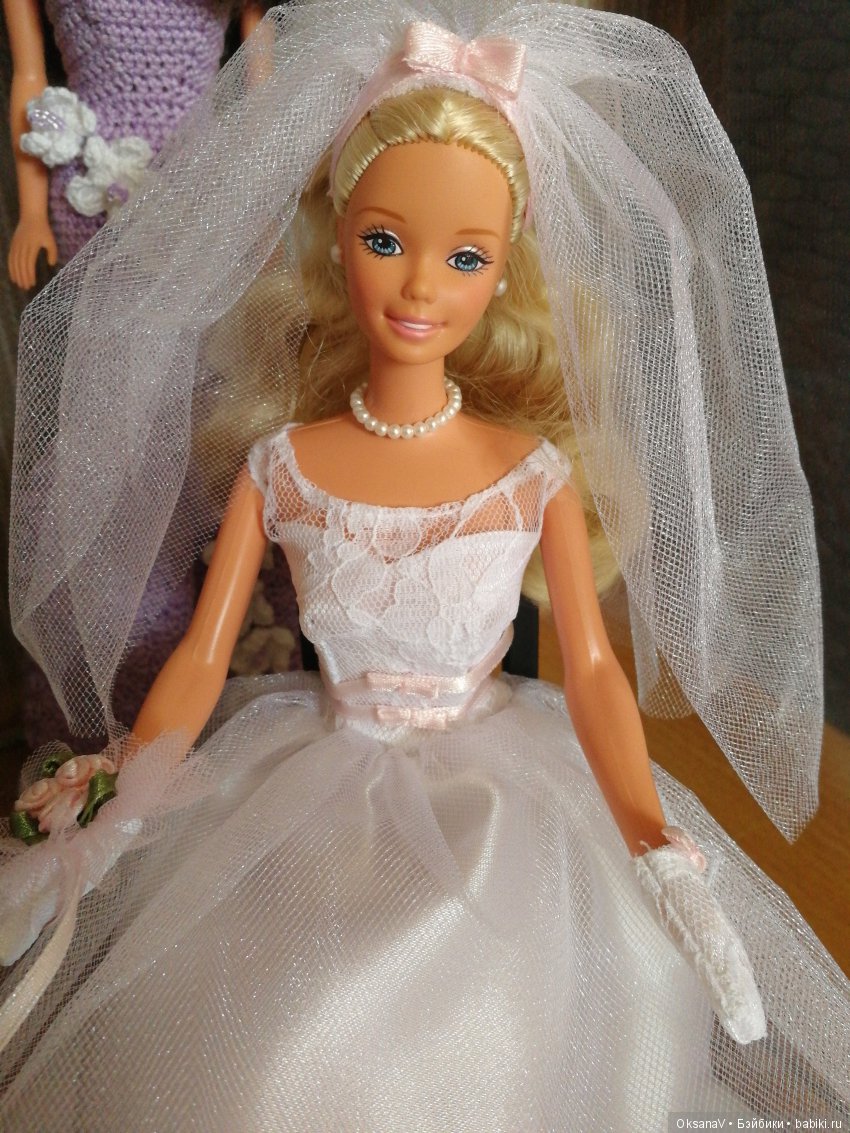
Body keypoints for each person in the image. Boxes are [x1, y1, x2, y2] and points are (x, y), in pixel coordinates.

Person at [1, 3, 847, 1129]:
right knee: (271, 1025)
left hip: (500, 791)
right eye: (386, 241)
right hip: (310, 775)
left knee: (527, 1005)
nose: (418, 289)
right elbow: (202, 659)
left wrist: (651, 837)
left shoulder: (530, 472)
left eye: (466, 257)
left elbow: (593, 671)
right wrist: (127, 805)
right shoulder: (281, 463)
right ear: (336, 237)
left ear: (502, 273)